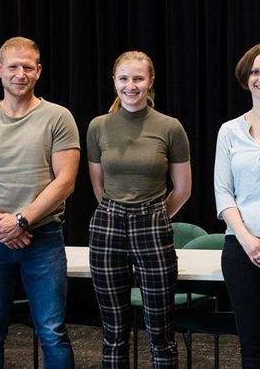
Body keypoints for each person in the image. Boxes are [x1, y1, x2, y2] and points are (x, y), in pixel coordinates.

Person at [0, 36, 80, 369]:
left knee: (52, 331)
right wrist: (2, 224)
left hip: (43, 238)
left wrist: (21, 221)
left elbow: (65, 180)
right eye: (13, 66)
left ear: (38, 71)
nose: (20, 74)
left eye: (28, 67)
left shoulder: (58, 117)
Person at [87, 50, 191, 368]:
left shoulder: (170, 127)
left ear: (150, 81)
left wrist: (154, 215)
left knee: (160, 332)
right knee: (114, 331)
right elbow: (98, 187)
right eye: (124, 79)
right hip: (108, 226)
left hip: (153, 226)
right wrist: (122, 212)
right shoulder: (98, 127)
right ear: (114, 81)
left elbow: (184, 189)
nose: (131, 86)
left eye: (138, 78)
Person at [214, 42, 260, 368]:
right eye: (256, 71)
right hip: (241, 249)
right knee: (252, 348)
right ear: (246, 78)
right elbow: (223, 192)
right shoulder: (229, 131)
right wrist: (245, 237)